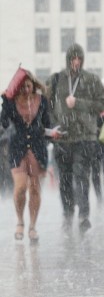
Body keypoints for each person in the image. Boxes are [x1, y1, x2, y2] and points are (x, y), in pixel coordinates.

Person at [46, 44, 104, 234]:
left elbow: (101, 104)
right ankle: (67, 213)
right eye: (73, 59)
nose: (76, 62)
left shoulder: (91, 79)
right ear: (68, 59)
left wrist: (79, 103)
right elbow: (47, 106)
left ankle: (84, 215)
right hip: (63, 138)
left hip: (84, 137)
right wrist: (54, 125)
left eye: (79, 59)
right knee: (64, 179)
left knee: (81, 176)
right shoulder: (57, 80)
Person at [1, 69, 62, 243]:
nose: (26, 89)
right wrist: (5, 101)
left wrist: (53, 134)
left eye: (29, 85)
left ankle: (32, 226)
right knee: (20, 188)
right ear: (18, 87)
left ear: (33, 85)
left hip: (37, 148)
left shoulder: (42, 101)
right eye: (23, 86)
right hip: (18, 148)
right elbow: (4, 123)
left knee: (35, 189)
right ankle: (20, 221)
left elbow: (47, 125)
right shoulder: (11, 102)